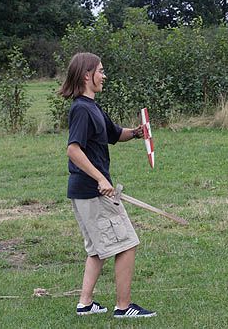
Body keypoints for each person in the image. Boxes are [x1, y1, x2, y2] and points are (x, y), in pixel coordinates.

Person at [60, 52, 156, 318]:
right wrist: (101, 179)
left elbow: (114, 134)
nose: (104, 75)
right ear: (86, 75)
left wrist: (137, 133)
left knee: (97, 249)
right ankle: (123, 308)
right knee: (126, 243)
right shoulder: (81, 109)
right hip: (93, 192)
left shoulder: (93, 107)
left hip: (85, 192)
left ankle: (86, 303)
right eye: (100, 71)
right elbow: (73, 150)